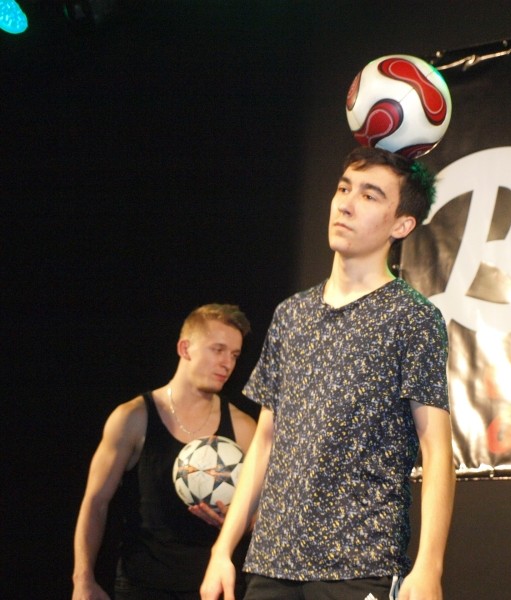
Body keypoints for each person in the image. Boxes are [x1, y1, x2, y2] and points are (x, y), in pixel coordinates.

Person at [201, 147, 456, 600]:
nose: (346, 204)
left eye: (370, 195)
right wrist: (223, 549)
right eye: (343, 189)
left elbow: (436, 449)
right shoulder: (291, 315)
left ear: (401, 225)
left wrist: (429, 567)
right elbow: (266, 440)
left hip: (361, 563)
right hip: (271, 562)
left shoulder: (412, 318)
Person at [72, 304, 258, 600]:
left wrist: (240, 522)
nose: (227, 363)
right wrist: (82, 580)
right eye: (218, 350)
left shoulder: (244, 428)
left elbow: (267, 514)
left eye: (234, 355)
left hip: (211, 590)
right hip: (141, 587)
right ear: (185, 348)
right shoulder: (133, 418)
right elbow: (96, 502)